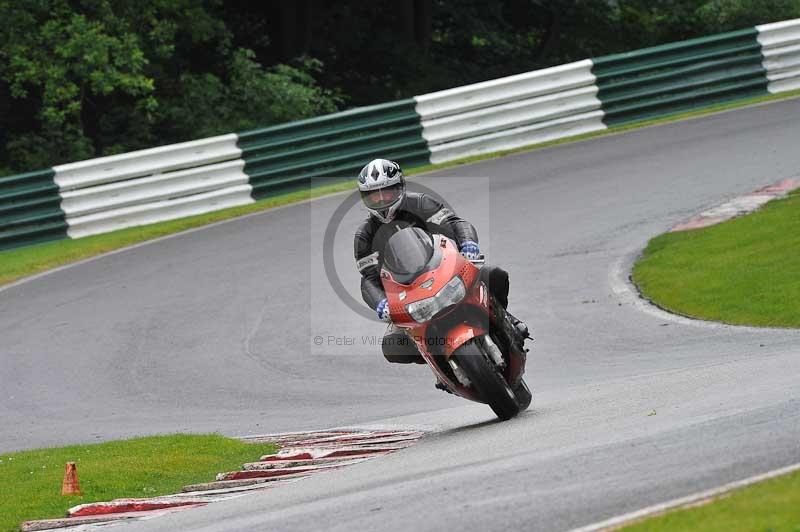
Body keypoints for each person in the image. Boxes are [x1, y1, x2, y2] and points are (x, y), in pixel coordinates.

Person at [353, 158, 528, 365]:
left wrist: (468, 244)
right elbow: (369, 279)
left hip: (445, 272)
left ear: (400, 187)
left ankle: (507, 320)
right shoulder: (365, 236)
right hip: (407, 294)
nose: (382, 200)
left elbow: (455, 224)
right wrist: (380, 302)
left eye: (387, 192)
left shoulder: (421, 203)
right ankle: (440, 364)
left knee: (495, 275)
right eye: (374, 196)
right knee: (393, 347)